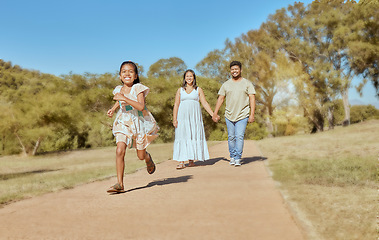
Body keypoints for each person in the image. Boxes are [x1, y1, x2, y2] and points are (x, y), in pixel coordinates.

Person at [106, 61, 159, 193]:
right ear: (120, 76)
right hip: (123, 121)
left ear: (135, 76)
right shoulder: (118, 89)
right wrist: (113, 109)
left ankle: (147, 158)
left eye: (130, 71)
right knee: (119, 150)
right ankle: (120, 183)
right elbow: (120, 101)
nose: (127, 73)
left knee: (140, 155)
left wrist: (124, 98)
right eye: (124, 71)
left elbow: (141, 106)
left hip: (138, 122)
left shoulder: (138, 88)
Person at [212, 61, 255, 167]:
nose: (234, 71)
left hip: (242, 115)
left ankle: (237, 158)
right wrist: (215, 113)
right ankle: (232, 156)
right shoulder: (226, 84)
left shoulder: (247, 83)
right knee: (231, 137)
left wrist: (252, 114)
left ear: (240, 70)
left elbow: (252, 98)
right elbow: (221, 98)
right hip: (229, 115)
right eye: (232, 69)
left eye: (236, 69)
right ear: (230, 71)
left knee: (239, 136)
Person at [172, 69, 215, 169]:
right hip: (182, 117)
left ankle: (191, 161)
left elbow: (204, 103)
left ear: (194, 78)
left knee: (192, 135)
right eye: (187, 76)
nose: (189, 78)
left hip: (195, 118)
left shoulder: (198, 90)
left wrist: (212, 114)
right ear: (184, 78)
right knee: (182, 136)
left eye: (191, 76)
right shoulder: (180, 90)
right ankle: (181, 161)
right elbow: (176, 104)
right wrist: (175, 119)